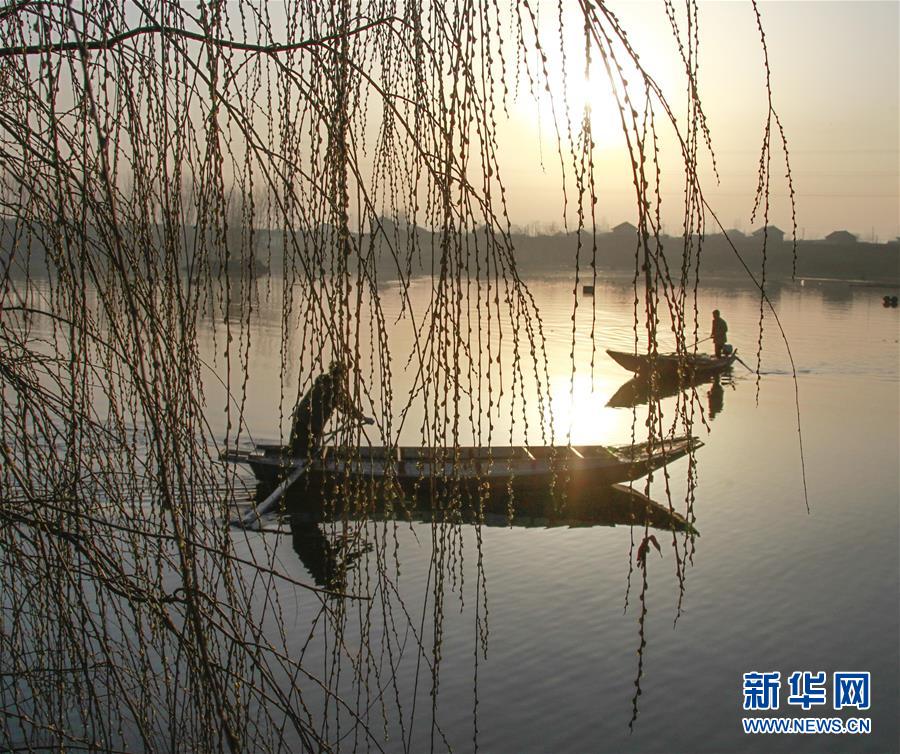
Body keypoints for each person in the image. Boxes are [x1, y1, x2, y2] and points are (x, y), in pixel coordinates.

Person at [289, 361, 372, 456]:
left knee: (299, 452)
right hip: (306, 424)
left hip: (302, 421)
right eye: (343, 375)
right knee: (304, 453)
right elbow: (346, 406)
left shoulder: (322, 384)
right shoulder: (332, 388)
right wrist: (362, 418)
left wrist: (361, 417)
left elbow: (345, 406)